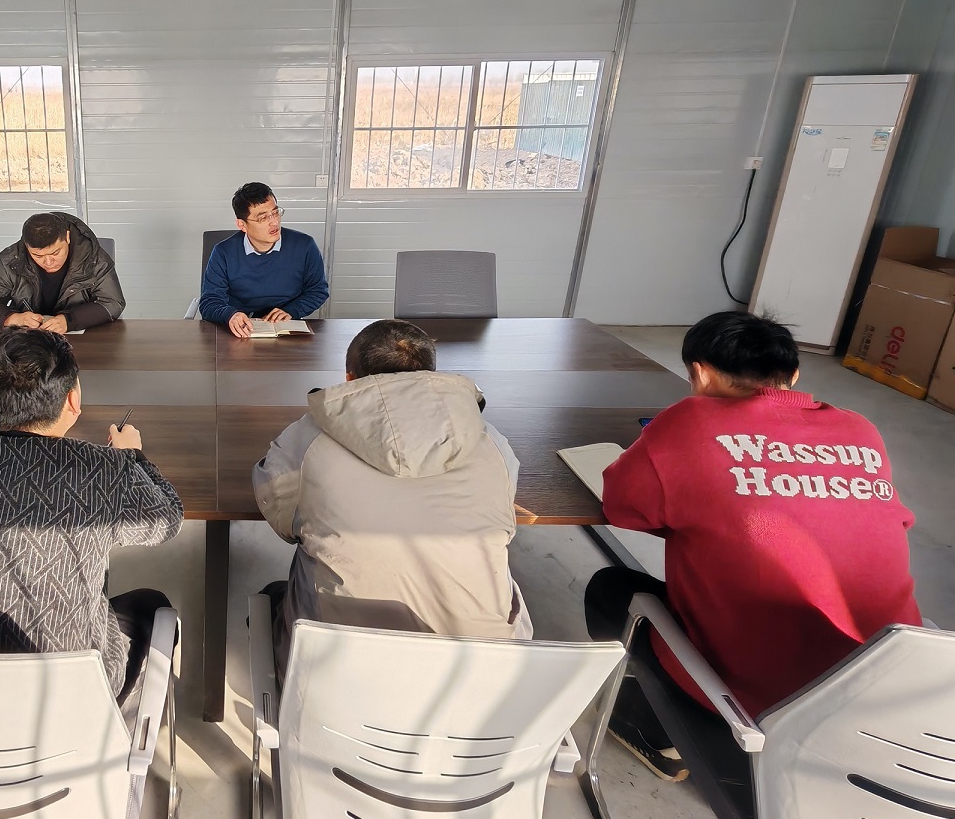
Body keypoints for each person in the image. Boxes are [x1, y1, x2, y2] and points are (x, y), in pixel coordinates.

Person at [585, 310, 920, 781]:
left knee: (610, 590)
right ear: (794, 376)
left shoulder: (688, 421)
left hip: (764, 701)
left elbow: (623, 508)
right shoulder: (859, 429)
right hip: (887, 685)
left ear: (699, 373)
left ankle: (669, 733)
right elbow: (888, 521)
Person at [0, 327, 182, 700]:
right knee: (151, 604)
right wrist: (132, 456)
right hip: (66, 699)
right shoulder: (101, 468)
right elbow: (166, 520)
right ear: (72, 400)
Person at [252, 319, 529, 676]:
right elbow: (504, 517)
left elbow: (279, 513)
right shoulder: (491, 442)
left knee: (299, 565)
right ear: (428, 377)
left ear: (349, 378)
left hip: (340, 679)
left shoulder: (307, 440)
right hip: (483, 680)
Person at [199, 182, 329, 338]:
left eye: (275, 213)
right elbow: (209, 301)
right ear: (242, 225)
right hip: (240, 331)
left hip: (285, 327)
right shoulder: (223, 252)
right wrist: (230, 315)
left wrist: (292, 310)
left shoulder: (304, 245)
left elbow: (318, 291)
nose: (274, 222)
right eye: (263, 218)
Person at [0, 212, 124, 333]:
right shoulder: (12, 259)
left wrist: (70, 320)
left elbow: (113, 302)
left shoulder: (94, 259)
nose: (49, 262)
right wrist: (11, 318)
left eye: (55, 253)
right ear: (26, 246)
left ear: (67, 237)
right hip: (29, 342)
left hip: (81, 342)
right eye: (38, 256)